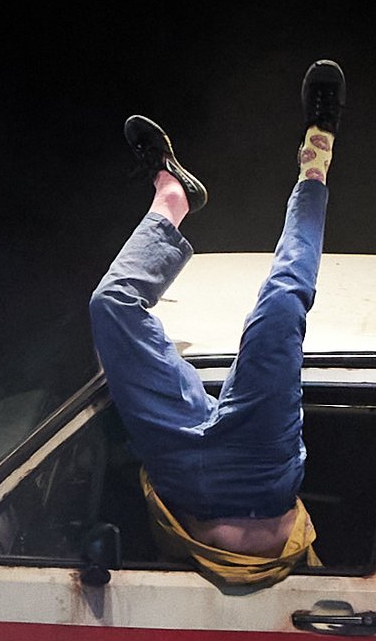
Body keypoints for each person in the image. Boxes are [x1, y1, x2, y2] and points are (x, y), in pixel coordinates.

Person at [87, 59, 344, 590]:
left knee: (110, 304)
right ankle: (317, 157)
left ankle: (171, 198)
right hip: (258, 470)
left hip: (181, 465)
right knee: (281, 306)